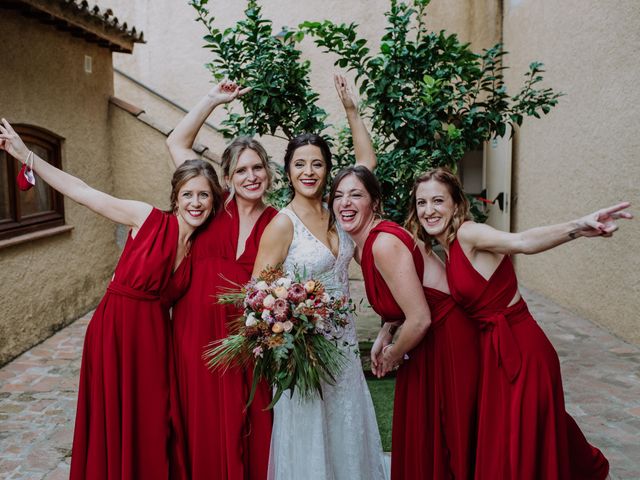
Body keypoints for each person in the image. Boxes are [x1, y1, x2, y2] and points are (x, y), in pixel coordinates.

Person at [0, 118, 223, 479]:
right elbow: (82, 190)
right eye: (188, 195)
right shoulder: (146, 218)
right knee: (117, 418)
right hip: (115, 332)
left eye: (203, 195)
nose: (195, 203)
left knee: (153, 417)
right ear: (175, 197)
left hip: (154, 340)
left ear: (213, 201)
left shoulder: (202, 246)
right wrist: (27, 156)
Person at [406, 167, 630, 479]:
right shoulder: (448, 249)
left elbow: (523, 241)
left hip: (523, 350)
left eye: (438, 201)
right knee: (518, 435)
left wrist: (578, 227)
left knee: (520, 438)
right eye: (421, 203)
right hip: (493, 353)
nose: (429, 210)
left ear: (456, 204)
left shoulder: (469, 233)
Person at [252, 74, 386, 480]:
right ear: (288, 171)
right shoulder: (281, 223)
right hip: (305, 352)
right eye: (299, 164)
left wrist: (351, 112)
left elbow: (368, 164)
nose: (308, 171)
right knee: (311, 437)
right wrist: (288, 327)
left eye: (317, 163)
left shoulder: (339, 210)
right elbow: (257, 294)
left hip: (342, 348)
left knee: (347, 430)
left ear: (327, 169)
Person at [329, 164, 479, 479]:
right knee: (426, 434)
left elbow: (421, 318)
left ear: (375, 202)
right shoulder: (363, 246)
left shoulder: (383, 243)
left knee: (449, 434)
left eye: (356, 195)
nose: (346, 203)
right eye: (339, 196)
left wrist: (391, 355)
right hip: (426, 342)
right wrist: (386, 330)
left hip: (448, 340)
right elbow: (403, 303)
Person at [165, 80, 277, 479]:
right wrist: (211, 100)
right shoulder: (209, 205)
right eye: (242, 170)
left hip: (244, 341)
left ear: (268, 172)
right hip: (194, 336)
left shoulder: (278, 223)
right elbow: (176, 142)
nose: (251, 176)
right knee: (198, 424)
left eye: (258, 168)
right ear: (226, 178)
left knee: (245, 423)